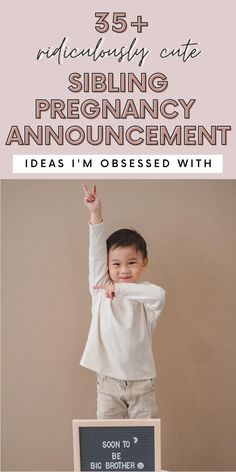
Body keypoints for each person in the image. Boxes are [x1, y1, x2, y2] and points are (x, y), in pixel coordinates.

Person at [80, 184, 166, 419]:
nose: (124, 269)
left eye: (132, 262)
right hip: (108, 383)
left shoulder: (146, 296)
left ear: (144, 263)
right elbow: (96, 252)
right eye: (116, 264)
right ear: (107, 266)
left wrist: (119, 289)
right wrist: (95, 212)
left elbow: (159, 296)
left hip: (143, 384)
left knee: (144, 445)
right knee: (109, 443)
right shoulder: (100, 290)